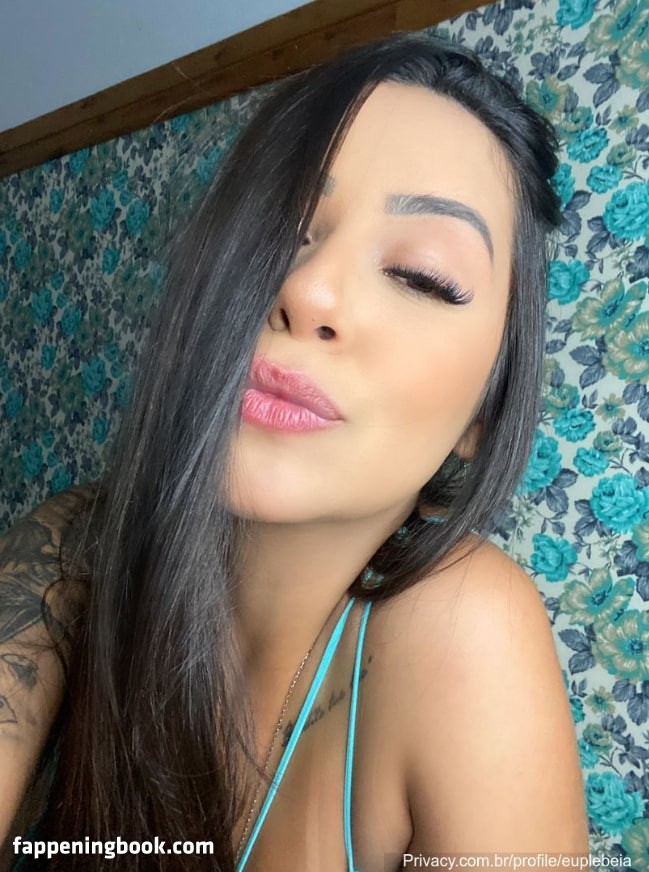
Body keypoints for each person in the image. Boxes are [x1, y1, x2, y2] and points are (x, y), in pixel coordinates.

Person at [0, 31, 590, 871]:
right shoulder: (70, 549)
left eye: (421, 275)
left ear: (482, 417)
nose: (306, 290)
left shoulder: (462, 632)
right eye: (281, 228)